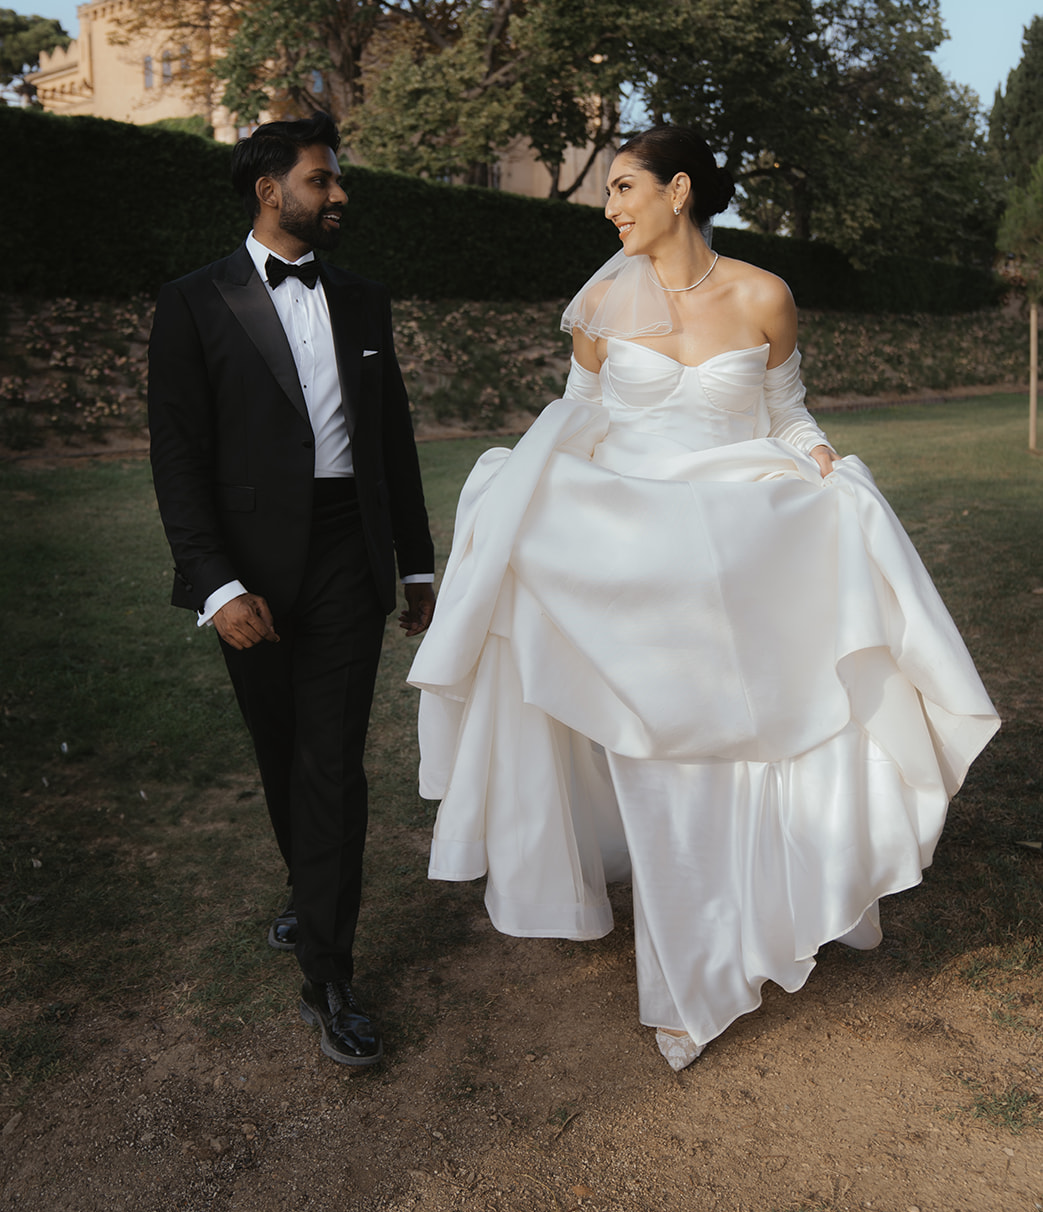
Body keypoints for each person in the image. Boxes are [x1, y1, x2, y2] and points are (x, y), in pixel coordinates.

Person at [409, 124, 999, 1071]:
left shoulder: (765, 294)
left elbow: (787, 409)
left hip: (744, 547)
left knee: (746, 748)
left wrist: (818, 463)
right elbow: (578, 415)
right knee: (658, 757)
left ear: (679, 190)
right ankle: (689, 969)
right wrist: (524, 500)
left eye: (626, 187)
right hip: (635, 561)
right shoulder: (598, 300)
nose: (611, 208)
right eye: (610, 193)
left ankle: (766, 908)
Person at [148, 113, 435, 1069]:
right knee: (282, 754)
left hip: (349, 558)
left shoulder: (363, 297)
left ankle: (329, 973)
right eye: (324, 180)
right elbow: (177, 459)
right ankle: (307, 891)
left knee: (330, 764)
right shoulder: (194, 302)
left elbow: (390, 437)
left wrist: (418, 564)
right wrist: (216, 585)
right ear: (272, 190)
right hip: (250, 574)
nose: (339, 193)